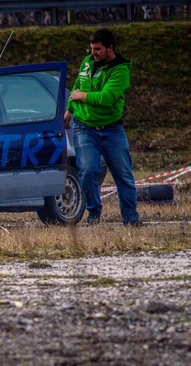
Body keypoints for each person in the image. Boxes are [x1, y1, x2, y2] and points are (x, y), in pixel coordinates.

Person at [64, 28, 142, 226]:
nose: (93, 53)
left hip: (112, 130)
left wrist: (81, 96)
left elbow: (106, 98)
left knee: (123, 175)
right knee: (87, 171)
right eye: (91, 48)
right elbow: (76, 86)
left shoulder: (120, 70)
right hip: (84, 128)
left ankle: (131, 218)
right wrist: (69, 109)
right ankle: (93, 212)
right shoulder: (87, 62)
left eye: (97, 49)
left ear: (110, 48)